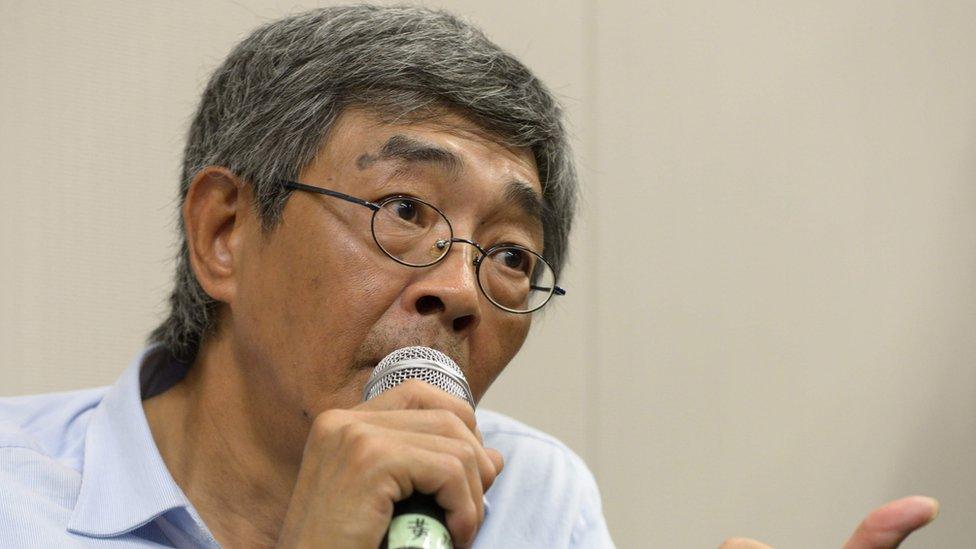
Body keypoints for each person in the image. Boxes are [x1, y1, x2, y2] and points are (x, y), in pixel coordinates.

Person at [0, 5, 937, 548]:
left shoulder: (533, 496)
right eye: (405, 211)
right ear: (225, 232)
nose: (459, 287)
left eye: (511, 256)